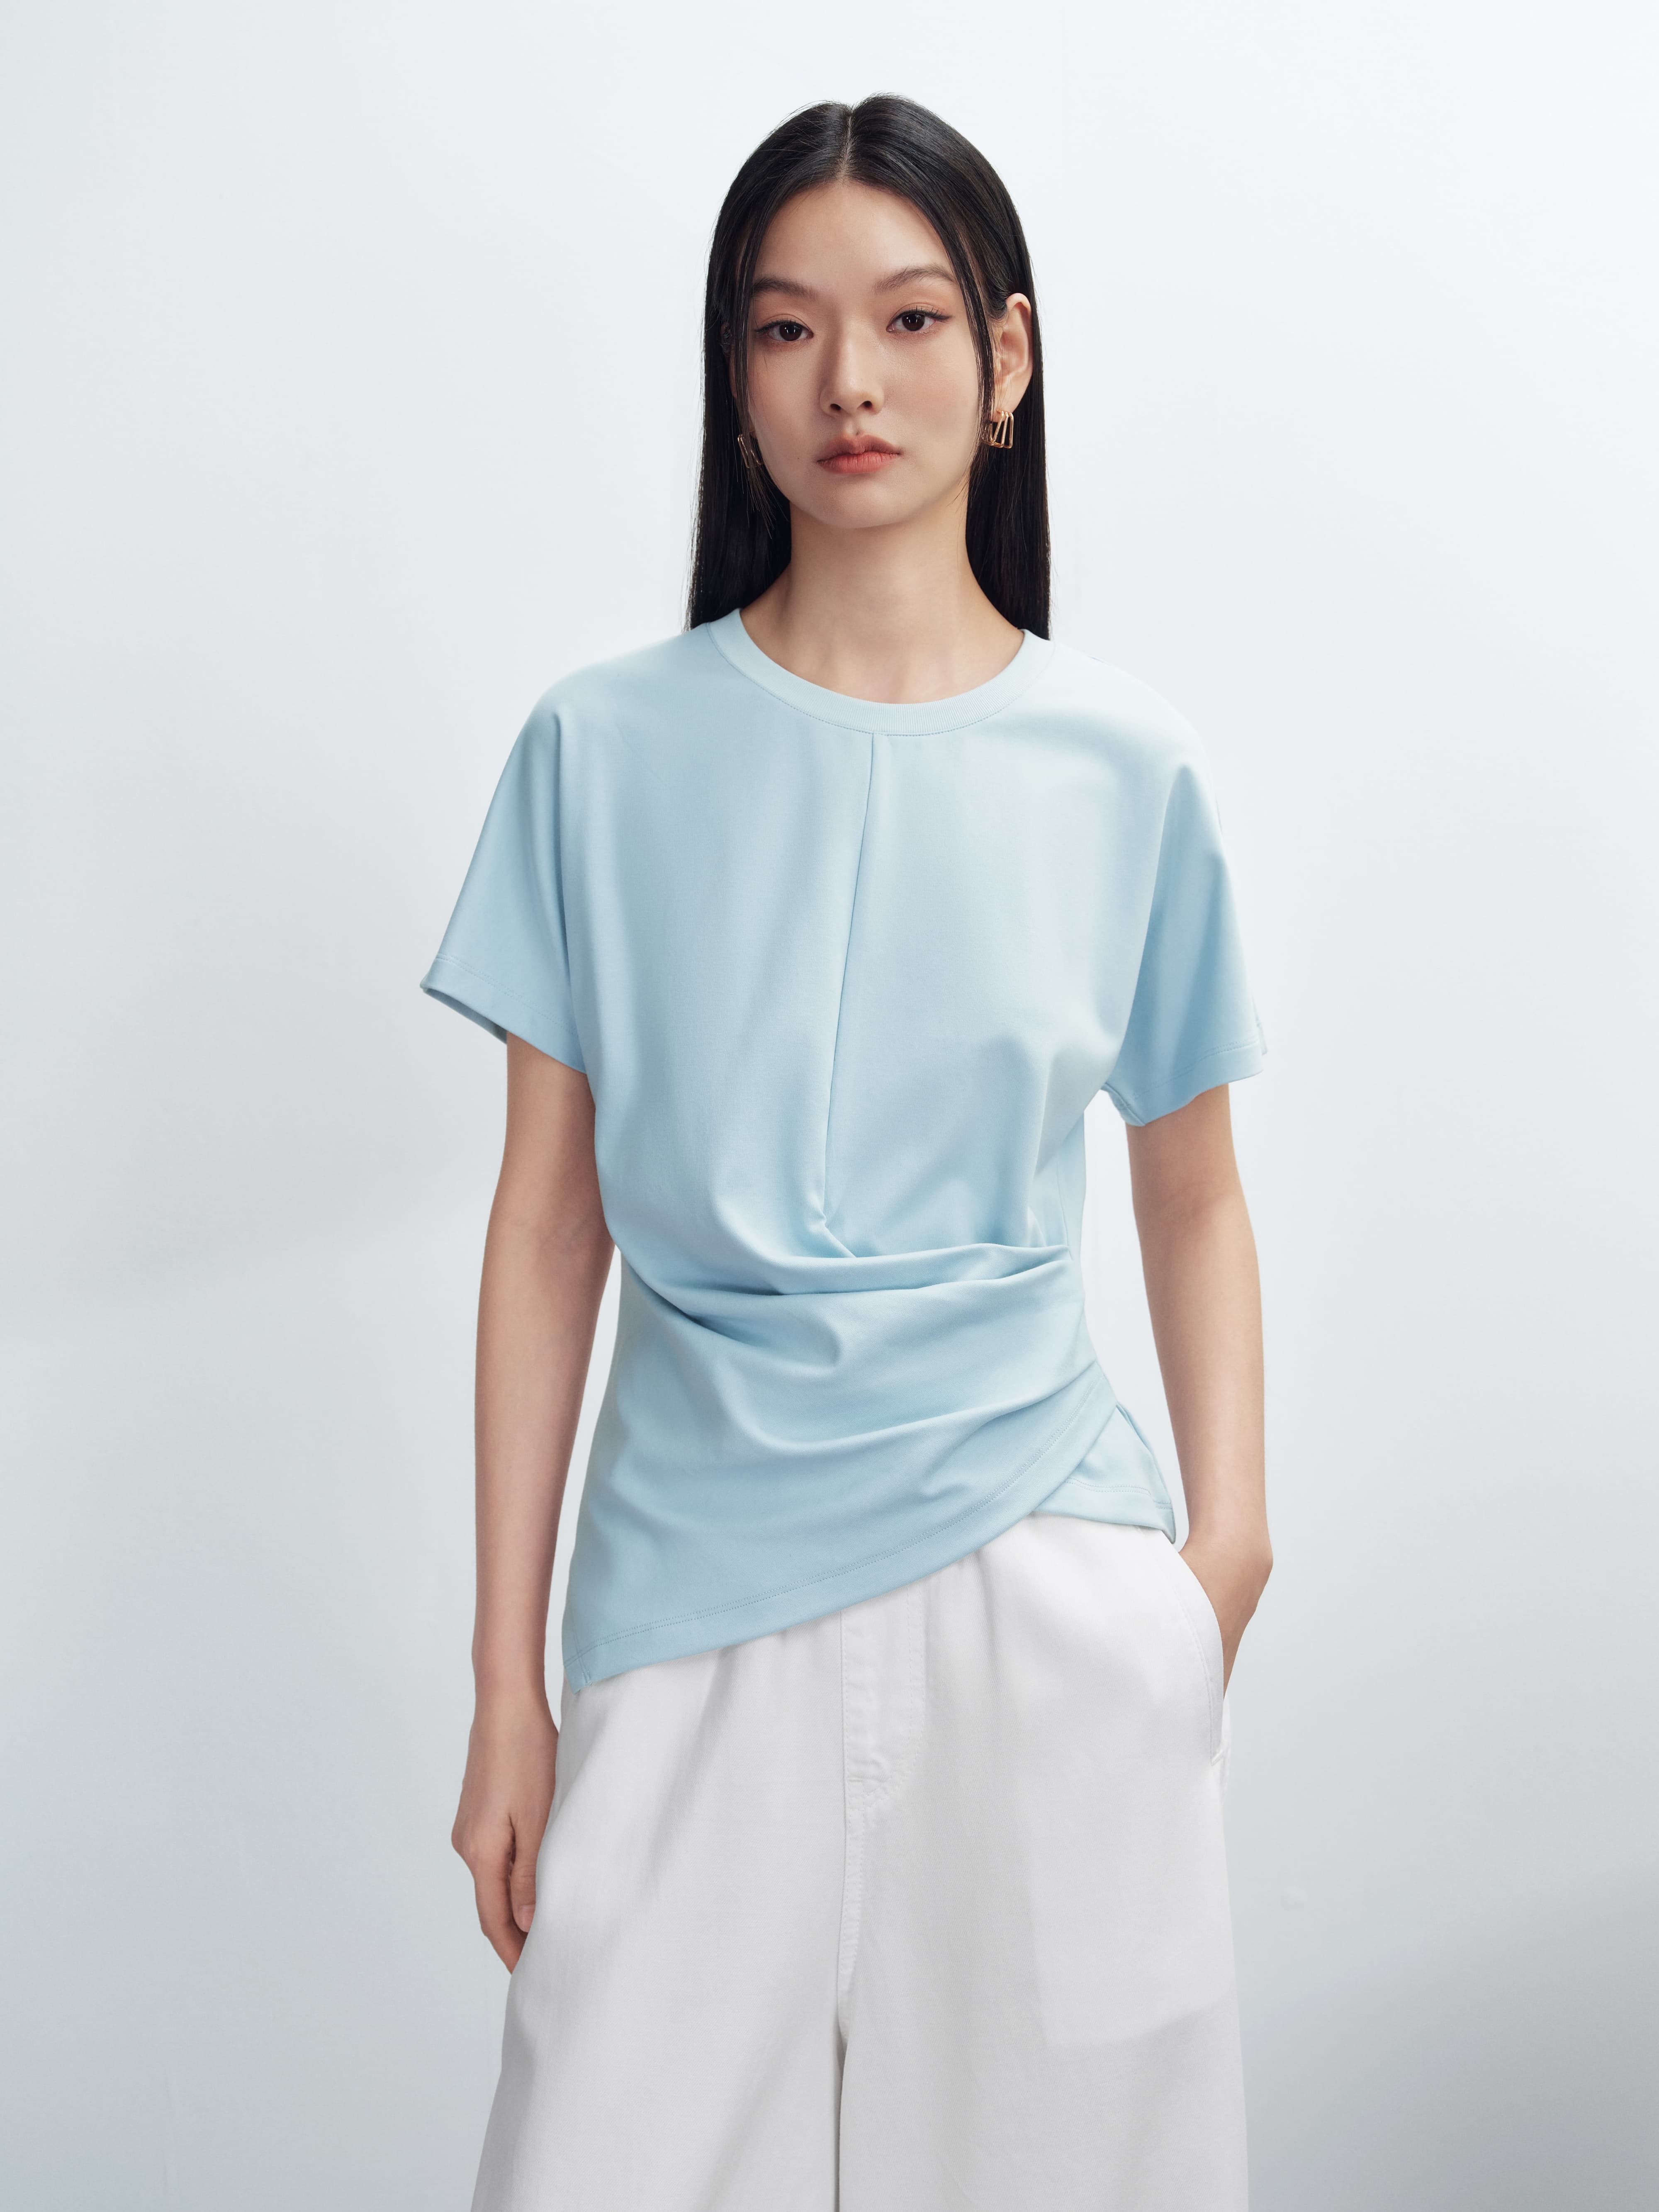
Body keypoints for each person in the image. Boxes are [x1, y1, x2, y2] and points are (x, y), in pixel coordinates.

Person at [421, 92, 1272, 2212]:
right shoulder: (600, 749)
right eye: (786, 328)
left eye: (906, 319)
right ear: (736, 381)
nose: (848, 383)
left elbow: (1190, 1186)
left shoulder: (1124, 761)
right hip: (687, 1596)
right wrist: (504, 1679)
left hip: (1047, 1587)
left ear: (1007, 355)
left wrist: (1222, 1561)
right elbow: (547, 1226)